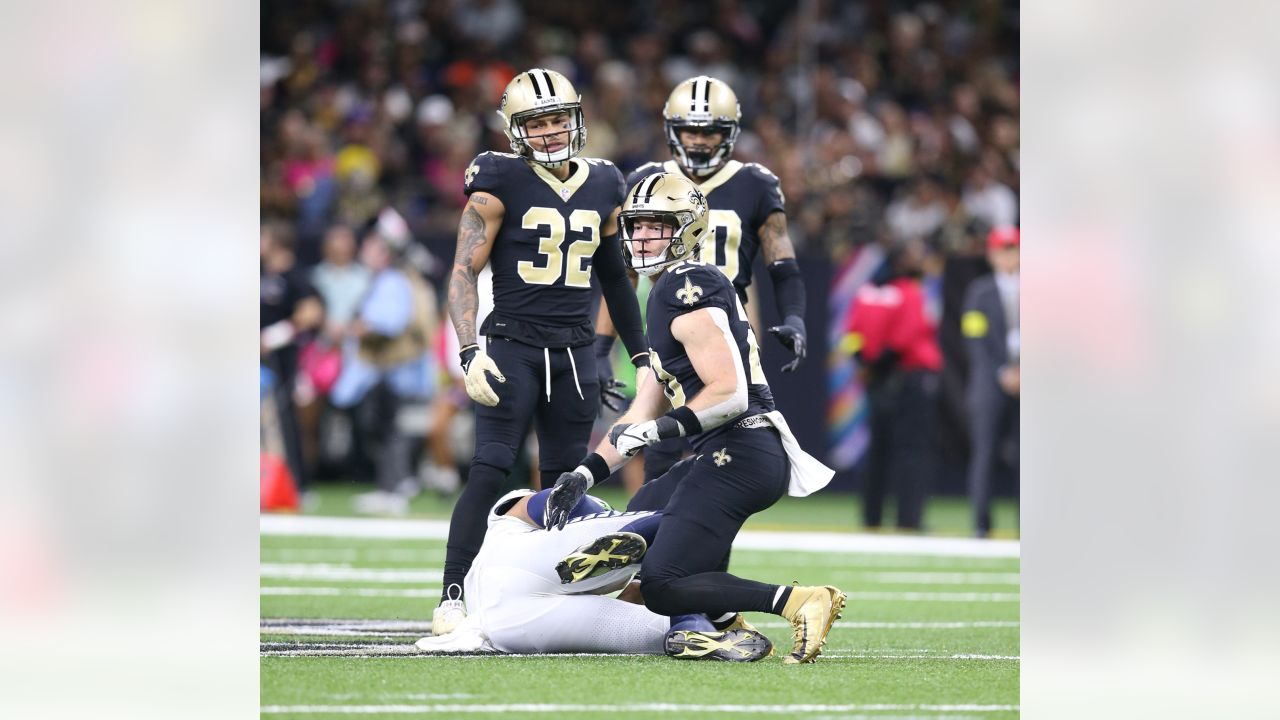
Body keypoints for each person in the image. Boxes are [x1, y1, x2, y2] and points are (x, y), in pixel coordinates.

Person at [544, 173, 846, 665]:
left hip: (743, 449)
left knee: (663, 585)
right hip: (728, 451)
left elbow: (730, 393)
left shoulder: (687, 285)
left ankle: (798, 601)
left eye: (656, 227)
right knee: (638, 514)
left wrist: (659, 431)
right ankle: (725, 620)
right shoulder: (665, 290)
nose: (641, 237)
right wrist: (583, 473)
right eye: (636, 227)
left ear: (686, 229)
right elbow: (642, 410)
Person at [434, 68, 649, 634]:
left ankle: (552, 592)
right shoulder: (497, 178)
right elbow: (462, 270)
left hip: (575, 352)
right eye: (538, 122)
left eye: (559, 120)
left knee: (564, 480)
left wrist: (643, 355)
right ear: (515, 129)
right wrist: (469, 349)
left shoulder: (605, 181)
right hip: (512, 344)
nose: (552, 132)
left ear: (576, 120)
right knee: (490, 464)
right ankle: (453, 592)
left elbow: (617, 282)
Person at [595, 75, 809, 483]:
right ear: (671, 130)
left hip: (726, 333)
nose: (697, 139)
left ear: (729, 132)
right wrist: (601, 346)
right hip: (667, 326)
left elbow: (782, 261)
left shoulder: (755, 183)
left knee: (725, 458)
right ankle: (657, 540)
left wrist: (795, 315)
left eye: (709, 130)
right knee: (656, 453)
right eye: (689, 129)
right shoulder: (647, 179)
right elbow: (618, 274)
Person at [414, 485, 773, 661]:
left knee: (657, 632)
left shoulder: (492, 544)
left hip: (505, 627)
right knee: (682, 526)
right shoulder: (506, 528)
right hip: (529, 568)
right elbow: (549, 503)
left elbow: (538, 505)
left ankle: (690, 631)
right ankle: (694, 619)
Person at [330, 228, 437, 515]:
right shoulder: (397, 279)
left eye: (372, 247)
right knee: (390, 429)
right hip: (397, 372)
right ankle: (397, 484)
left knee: (388, 430)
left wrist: (356, 327)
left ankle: (394, 487)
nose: (365, 252)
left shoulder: (392, 280)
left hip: (393, 371)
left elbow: (389, 322)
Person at [844, 238, 943, 531]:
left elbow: (852, 336)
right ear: (902, 262)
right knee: (912, 451)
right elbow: (906, 337)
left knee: (878, 451)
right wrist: (883, 363)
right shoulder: (910, 293)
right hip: (910, 378)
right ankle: (908, 520)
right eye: (917, 254)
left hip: (877, 381)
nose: (923, 259)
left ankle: (871, 518)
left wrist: (866, 364)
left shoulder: (866, 292)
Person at [962, 226, 1020, 537]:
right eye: (1002, 250)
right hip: (990, 383)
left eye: (1012, 249)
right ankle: (981, 524)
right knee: (985, 454)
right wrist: (1002, 371)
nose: (1007, 256)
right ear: (992, 254)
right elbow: (974, 338)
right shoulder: (979, 291)